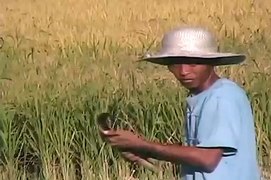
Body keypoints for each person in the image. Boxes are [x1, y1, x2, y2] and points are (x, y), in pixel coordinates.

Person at [99, 26, 261, 180]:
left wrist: (143, 146)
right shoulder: (204, 96)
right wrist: (143, 154)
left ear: (211, 63)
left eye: (193, 63)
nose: (183, 71)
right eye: (176, 63)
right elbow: (200, 159)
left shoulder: (220, 98)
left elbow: (207, 159)